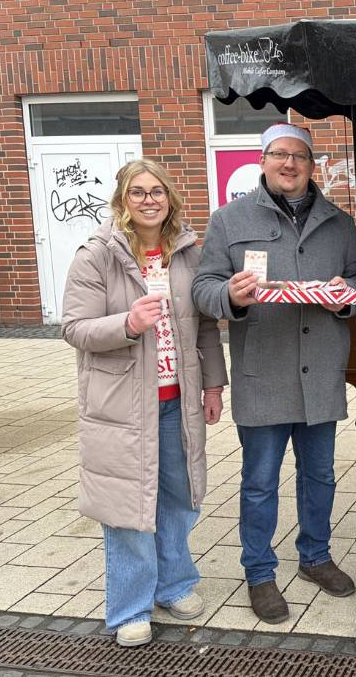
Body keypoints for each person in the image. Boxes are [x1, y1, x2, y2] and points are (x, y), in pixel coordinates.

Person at [192, 123, 356, 624]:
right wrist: (231, 297)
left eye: (300, 157)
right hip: (261, 372)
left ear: (313, 166)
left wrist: (345, 295)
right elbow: (203, 287)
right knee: (260, 482)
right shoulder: (230, 219)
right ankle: (260, 572)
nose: (289, 164)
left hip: (320, 374)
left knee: (321, 476)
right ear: (263, 161)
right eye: (278, 155)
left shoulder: (338, 222)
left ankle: (314, 556)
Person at [62, 159, 228, 647]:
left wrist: (213, 386)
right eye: (138, 192)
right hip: (121, 406)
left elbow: (204, 328)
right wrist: (127, 324)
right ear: (122, 199)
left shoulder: (186, 253)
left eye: (157, 191)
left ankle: (174, 585)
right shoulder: (98, 255)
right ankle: (131, 607)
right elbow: (74, 328)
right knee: (129, 507)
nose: (149, 199)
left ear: (170, 198)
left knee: (179, 499)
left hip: (178, 400)